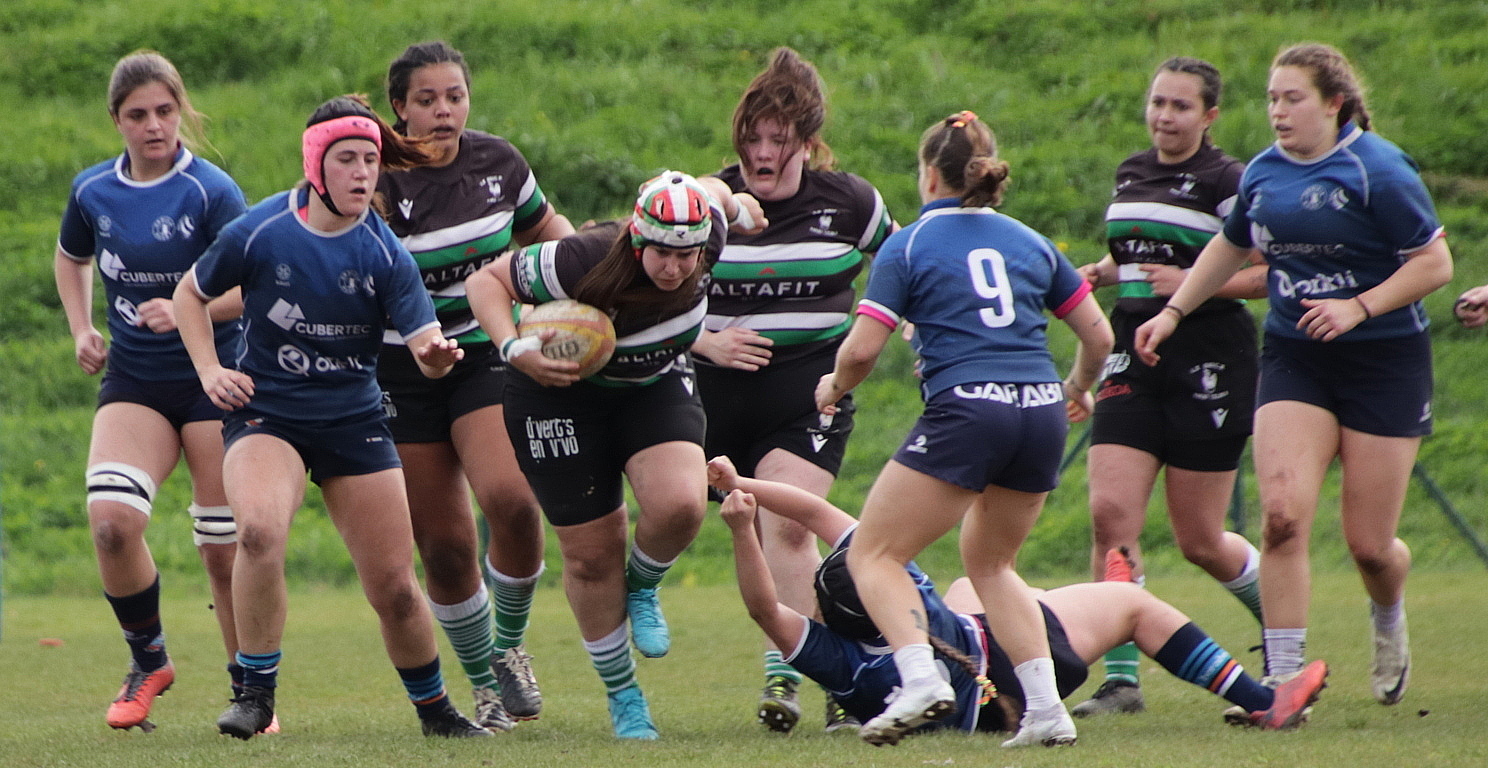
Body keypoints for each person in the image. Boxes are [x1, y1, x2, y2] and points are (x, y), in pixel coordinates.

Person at [1136, 42, 1453, 707]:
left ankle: (1388, 615)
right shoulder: (1264, 173)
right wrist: (1173, 312)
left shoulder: (1377, 169)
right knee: (1281, 517)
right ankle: (1282, 683)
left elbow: (1434, 264)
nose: (1278, 111)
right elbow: (1230, 246)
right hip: (1295, 356)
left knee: (1370, 546)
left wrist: (1358, 307)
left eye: (1293, 98)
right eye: (1272, 99)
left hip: (1385, 362)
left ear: (1333, 103)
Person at [173, 94, 486, 739]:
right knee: (257, 533)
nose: (362, 172)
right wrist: (209, 370)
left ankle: (436, 713)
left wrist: (436, 357)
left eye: (371, 159)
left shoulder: (384, 253)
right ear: (316, 164)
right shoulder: (262, 229)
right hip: (267, 416)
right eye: (347, 159)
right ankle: (255, 695)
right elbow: (189, 295)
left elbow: (425, 344)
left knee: (395, 588)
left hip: (353, 420)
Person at [814, 111, 1114, 748]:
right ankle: (1045, 710)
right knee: (992, 563)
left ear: (930, 174)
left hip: (971, 409)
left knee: (874, 554)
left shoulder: (910, 243)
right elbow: (1099, 336)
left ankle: (921, 679)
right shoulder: (1032, 241)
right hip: (1040, 411)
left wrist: (833, 386)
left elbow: (862, 351)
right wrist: (1076, 388)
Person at [707, 455, 1329, 739]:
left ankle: (1081, 601)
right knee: (1137, 609)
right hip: (1022, 656)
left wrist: (741, 530)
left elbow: (764, 608)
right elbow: (819, 511)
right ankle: (1262, 702)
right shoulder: (899, 579)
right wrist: (742, 485)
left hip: (991, 687)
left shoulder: (841, 664)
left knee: (968, 589)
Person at [466, 170, 765, 739]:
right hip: (556, 392)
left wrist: (742, 205)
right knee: (590, 557)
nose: (674, 267)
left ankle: (644, 585)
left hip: (653, 383)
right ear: (636, 237)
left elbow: (718, 193)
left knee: (681, 506)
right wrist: (513, 347)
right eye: (662, 253)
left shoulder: (708, 231)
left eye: (686, 256)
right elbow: (486, 282)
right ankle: (624, 695)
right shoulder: (583, 258)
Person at [53, 50, 256, 732]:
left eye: (165, 111)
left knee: (222, 548)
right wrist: (82, 327)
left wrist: (189, 307)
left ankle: (250, 690)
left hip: (212, 381)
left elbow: (252, 283)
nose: (154, 126)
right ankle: (149, 662)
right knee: (111, 524)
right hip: (135, 381)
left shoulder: (211, 191)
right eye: (138, 114)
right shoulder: (93, 191)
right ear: (116, 120)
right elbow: (71, 257)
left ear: (181, 111)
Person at [694, 46, 895, 735]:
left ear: (808, 142)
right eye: (751, 137)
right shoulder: (710, 204)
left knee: (786, 522)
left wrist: (915, 332)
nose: (760, 152)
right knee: (721, 519)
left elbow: (907, 267)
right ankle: (793, 661)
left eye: (777, 139)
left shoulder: (851, 203)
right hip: (712, 399)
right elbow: (647, 290)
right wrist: (706, 342)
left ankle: (826, 677)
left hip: (807, 398)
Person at [377, 40, 575, 731]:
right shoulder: (374, 177)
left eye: (455, 96)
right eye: (427, 99)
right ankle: (483, 687)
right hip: (401, 370)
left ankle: (508, 646)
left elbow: (548, 232)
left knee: (514, 503)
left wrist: (575, 285)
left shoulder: (498, 163)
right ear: (399, 108)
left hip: (486, 352)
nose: (443, 111)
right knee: (446, 548)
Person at [1071, 56, 1270, 717]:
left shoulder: (1229, 181)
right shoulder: (1132, 170)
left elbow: (1268, 273)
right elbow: (1139, 250)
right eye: (1157, 102)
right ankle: (1121, 682)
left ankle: (1281, 624)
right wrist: (1103, 271)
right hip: (1132, 353)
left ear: (1210, 116)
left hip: (1209, 359)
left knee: (1200, 540)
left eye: (1180, 106)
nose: (1164, 116)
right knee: (1110, 515)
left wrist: (1189, 287)